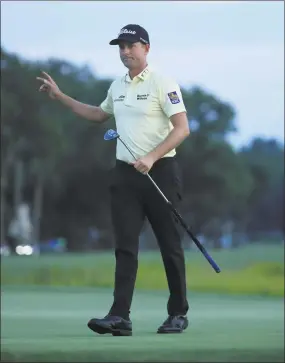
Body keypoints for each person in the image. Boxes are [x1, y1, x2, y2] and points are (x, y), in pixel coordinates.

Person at [37, 24, 190, 336]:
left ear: (146, 48)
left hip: (160, 172)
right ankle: (120, 316)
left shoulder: (164, 83)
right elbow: (98, 114)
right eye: (121, 46)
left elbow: (181, 128)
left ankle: (178, 313)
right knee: (124, 247)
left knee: (169, 246)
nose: (125, 51)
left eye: (131, 45)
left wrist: (151, 156)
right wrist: (60, 97)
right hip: (125, 176)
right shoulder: (117, 86)